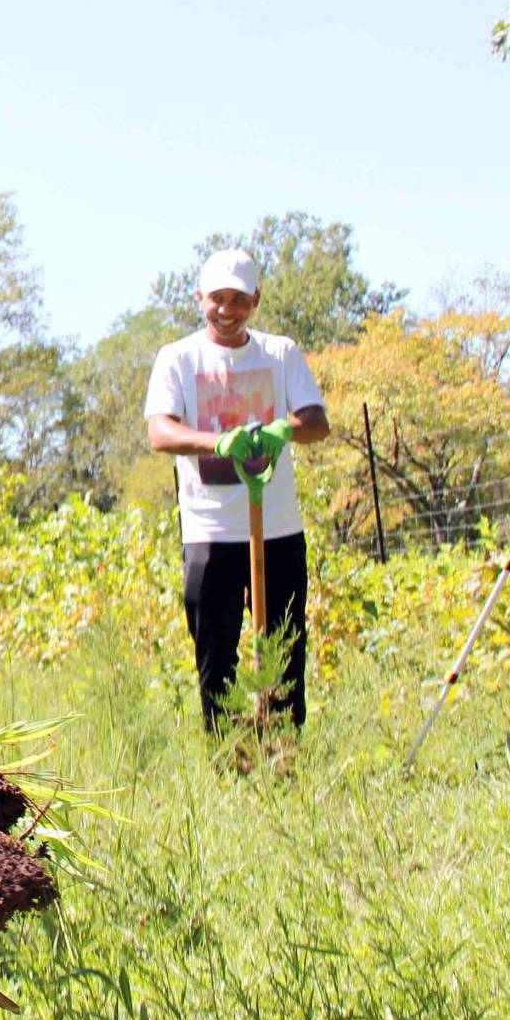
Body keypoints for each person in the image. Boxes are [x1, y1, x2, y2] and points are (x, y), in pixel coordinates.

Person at [144, 248, 329, 727]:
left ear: (256, 301)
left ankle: (285, 753)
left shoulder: (281, 353)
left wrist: (283, 429)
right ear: (200, 298)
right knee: (216, 657)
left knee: (284, 648)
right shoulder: (178, 359)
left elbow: (316, 421)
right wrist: (218, 442)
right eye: (218, 299)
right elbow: (161, 432)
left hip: (277, 529)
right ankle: (227, 756)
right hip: (209, 531)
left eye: (239, 300)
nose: (227, 310)